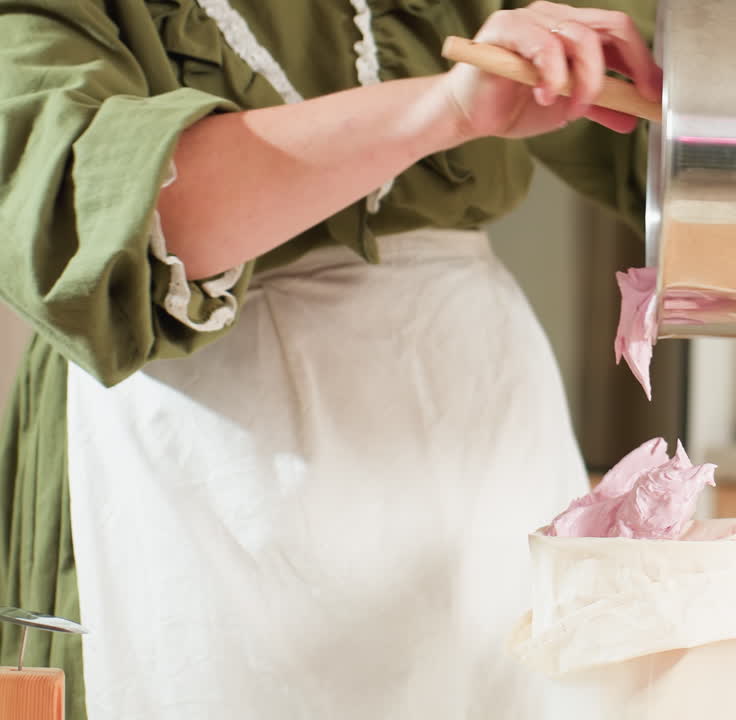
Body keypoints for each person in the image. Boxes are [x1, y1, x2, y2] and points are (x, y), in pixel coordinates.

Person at [0, 0, 660, 717]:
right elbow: (98, 215)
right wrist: (445, 106)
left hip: (479, 435)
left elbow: (664, 119)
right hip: (196, 463)